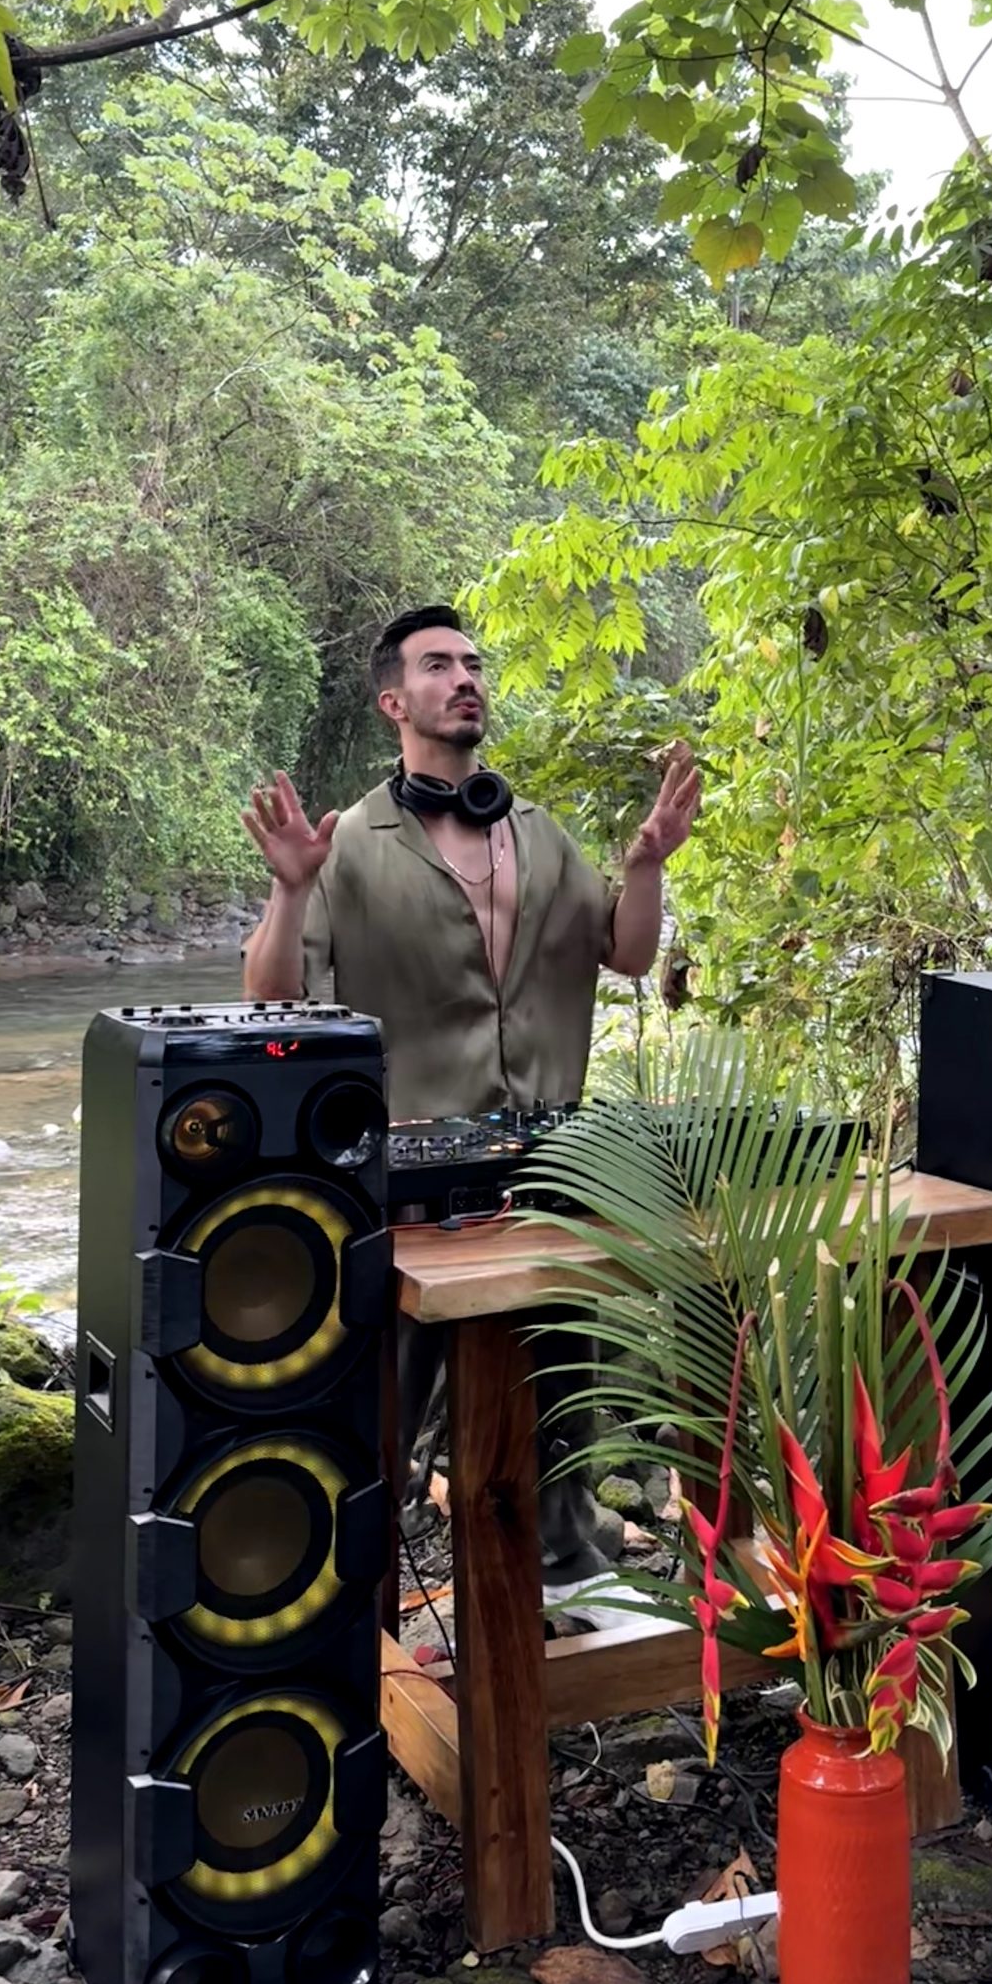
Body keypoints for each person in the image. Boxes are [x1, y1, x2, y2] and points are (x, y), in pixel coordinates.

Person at [240, 602, 701, 1590]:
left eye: (474, 663)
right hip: (407, 1186)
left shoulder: (537, 834)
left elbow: (626, 952)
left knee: (559, 1393)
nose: (465, 679)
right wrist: (289, 890)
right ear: (393, 702)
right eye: (439, 664)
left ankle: (564, 1579)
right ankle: (347, 1604)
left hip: (549, 1170)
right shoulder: (348, 844)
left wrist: (646, 865)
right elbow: (272, 1000)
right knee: (380, 1413)